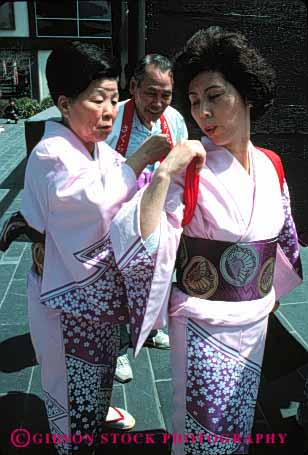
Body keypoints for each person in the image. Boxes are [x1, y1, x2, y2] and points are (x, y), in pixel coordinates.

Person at [109, 27, 303, 454]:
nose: (202, 113)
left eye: (214, 96)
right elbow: (140, 239)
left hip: (255, 320)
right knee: (201, 433)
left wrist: (268, 291)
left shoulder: (272, 164)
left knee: (238, 425)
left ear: (247, 93)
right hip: (203, 325)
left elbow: (282, 238)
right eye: (195, 102)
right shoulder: (190, 167)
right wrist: (162, 172)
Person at [1, 42, 179, 455]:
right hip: (65, 299)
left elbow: (118, 194)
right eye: (97, 99)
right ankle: (74, 440)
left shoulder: (94, 149)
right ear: (64, 103)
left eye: (115, 99)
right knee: (69, 379)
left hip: (94, 295)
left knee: (96, 373)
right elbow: (91, 203)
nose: (109, 111)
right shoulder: (51, 153)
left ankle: (93, 419)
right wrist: (140, 162)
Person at [106, 53, 188, 383]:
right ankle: (117, 349)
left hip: (160, 213)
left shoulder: (176, 120)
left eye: (165, 95)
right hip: (120, 214)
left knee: (160, 275)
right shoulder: (112, 119)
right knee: (118, 282)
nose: (157, 103)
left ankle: (151, 329)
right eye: (150, 93)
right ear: (134, 86)